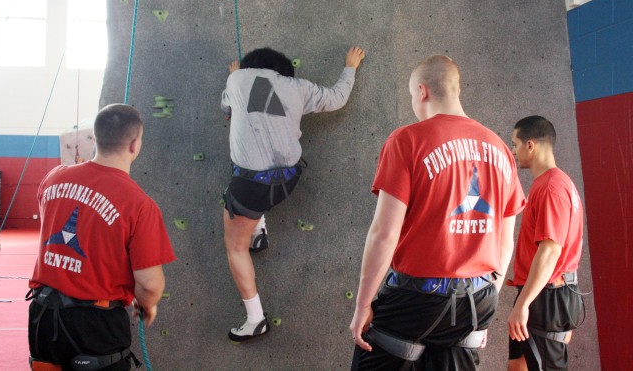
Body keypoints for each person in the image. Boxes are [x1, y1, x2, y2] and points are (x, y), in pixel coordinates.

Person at [349, 55, 526, 370]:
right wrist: (487, 303)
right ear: (456, 91)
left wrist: (363, 304)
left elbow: (384, 233)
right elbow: (505, 240)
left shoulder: (407, 140)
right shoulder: (499, 147)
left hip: (418, 301)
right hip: (478, 299)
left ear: (422, 91)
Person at [221, 46, 365, 342]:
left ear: (250, 67)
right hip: (288, 180)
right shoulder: (299, 88)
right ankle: (258, 232)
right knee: (251, 185)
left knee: (235, 247)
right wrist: (349, 67)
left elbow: (227, 109)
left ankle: (255, 320)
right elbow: (337, 98)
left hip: (251, 187)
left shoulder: (237, 80)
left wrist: (235, 76)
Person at [27, 104, 176, 371]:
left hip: (43, 316)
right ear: (134, 144)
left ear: (95, 139)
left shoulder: (54, 178)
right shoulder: (139, 205)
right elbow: (150, 283)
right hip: (95, 325)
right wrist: (147, 305)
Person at [507, 116, 584, 371]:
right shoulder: (554, 184)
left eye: (514, 144)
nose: (513, 151)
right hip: (546, 293)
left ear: (530, 145)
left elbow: (550, 251)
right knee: (518, 365)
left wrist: (523, 304)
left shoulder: (551, 187)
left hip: (546, 297)